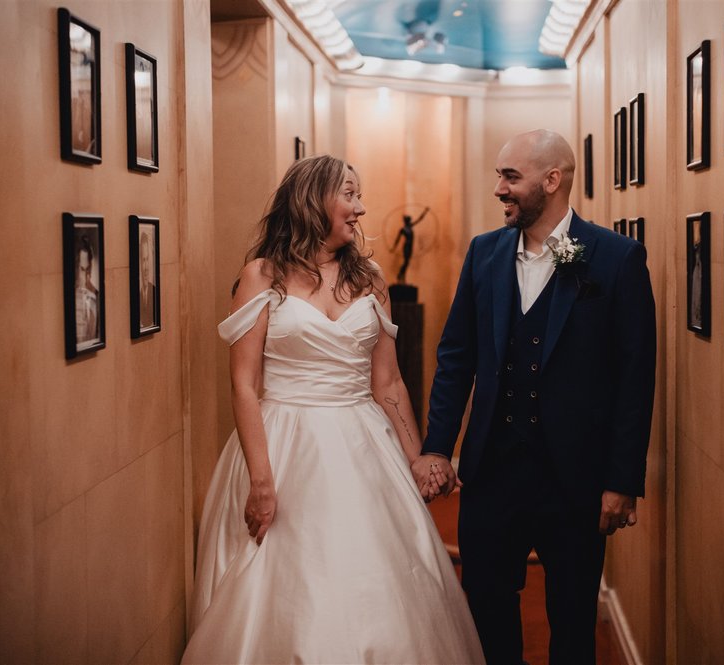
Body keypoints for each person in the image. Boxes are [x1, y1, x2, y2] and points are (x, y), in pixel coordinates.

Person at [182, 155, 484, 664]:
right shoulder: (260, 276)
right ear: (312, 198)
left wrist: (418, 456)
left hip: (363, 442)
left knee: (377, 576)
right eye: (350, 194)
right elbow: (244, 383)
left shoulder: (370, 278)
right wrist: (261, 479)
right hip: (283, 443)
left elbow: (387, 379)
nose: (361, 207)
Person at [411, 130, 657, 664]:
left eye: (510, 177)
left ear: (552, 180)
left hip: (576, 481)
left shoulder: (616, 259)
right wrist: (437, 446)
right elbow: (456, 359)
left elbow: (634, 380)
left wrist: (622, 481)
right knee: (488, 611)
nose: (498, 188)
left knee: (572, 622)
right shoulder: (484, 254)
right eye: (498, 174)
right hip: (491, 472)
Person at [74, 233, 99, 348]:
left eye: (88, 270)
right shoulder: (74, 300)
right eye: (82, 270)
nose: (86, 277)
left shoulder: (93, 299)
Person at [392, 206, 428, 283]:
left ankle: (402, 276)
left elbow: (419, 219)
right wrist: (393, 248)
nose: (409, 221)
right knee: (406, 262)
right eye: (408, 220)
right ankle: (400, 274)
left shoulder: (410, 226)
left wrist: (425, 211)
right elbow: (397, 239)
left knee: (407, 262)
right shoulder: (403, 229)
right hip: (406, 246)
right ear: (406, 221)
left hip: (410, 246)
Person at [139, 228, 157, 329]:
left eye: (147, 259)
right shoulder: (138, 295)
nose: (146, 267)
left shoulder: (154, 291)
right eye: (143, 260)